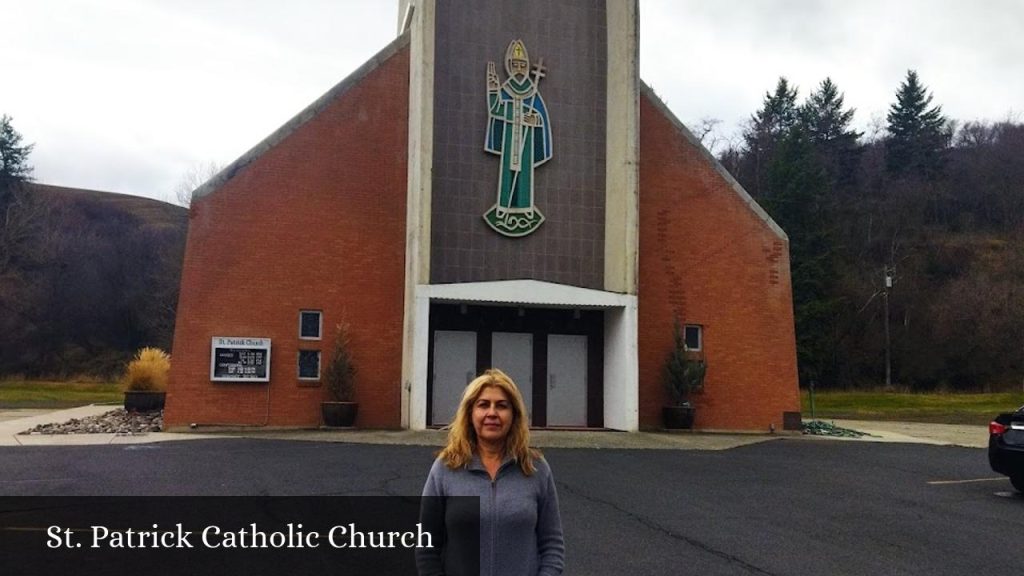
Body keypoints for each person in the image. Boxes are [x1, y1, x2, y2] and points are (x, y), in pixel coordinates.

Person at [417, 369, 565, 576]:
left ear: (514, 415)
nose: (492, 413)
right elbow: (426, 545)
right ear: (470, 413)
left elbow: (552, 545)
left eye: (502, 406)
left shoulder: (535, 468)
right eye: (483, 404)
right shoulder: (446, 468)